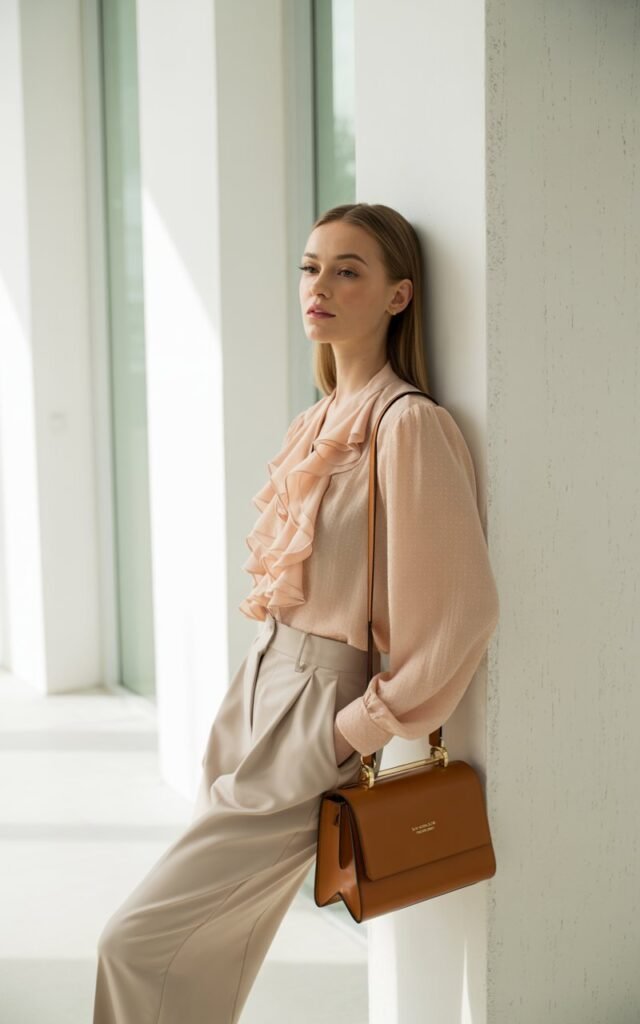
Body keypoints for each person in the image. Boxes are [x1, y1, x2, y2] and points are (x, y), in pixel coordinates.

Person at [92, 201, 500, 1023]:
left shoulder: (406, 424)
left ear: (398, 296)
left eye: (349, 269)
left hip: (319, 709)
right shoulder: (316, 421)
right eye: (312, 267)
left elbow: (461, 612)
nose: (320, 285)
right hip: (259, 689)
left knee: (134, 941)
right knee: (206, 942)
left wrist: (356, 729)